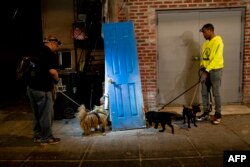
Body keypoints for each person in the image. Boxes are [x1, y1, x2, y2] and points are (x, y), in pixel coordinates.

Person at [27, 35, 61, 145]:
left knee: (37, 114)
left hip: (31, 87)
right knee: (46, 114)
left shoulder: (36, 51)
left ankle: (37, 136)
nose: (57, 47)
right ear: (53, 43)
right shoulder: (49, 54)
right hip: (43, 88)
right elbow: (52, 72)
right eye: (57, 45)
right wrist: (57, 80)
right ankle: (47, 138)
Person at [197, 23, 224, 125]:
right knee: (204, 92)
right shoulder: (205, 44)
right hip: (206, 70)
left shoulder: (218, 41)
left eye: (204, 32)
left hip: (215, 70)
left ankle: (218, 115)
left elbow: (216, 58)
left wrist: (207, 71)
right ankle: (206, 112)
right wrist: (201, 67)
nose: (203, 34)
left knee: (216, 93)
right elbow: (204, 58)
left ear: (210, 30)